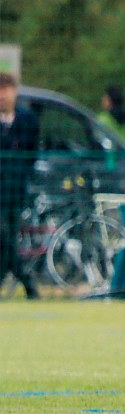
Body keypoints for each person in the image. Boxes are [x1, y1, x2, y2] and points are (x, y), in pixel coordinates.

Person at [0, 73, 40, 300]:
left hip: (15, 191)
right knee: (3, 236)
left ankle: (21, 282)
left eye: (5, 90)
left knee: (6, 241)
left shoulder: (27, 120)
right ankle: (27, 281)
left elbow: (32, 153)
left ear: (14, 92)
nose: (2, 95)